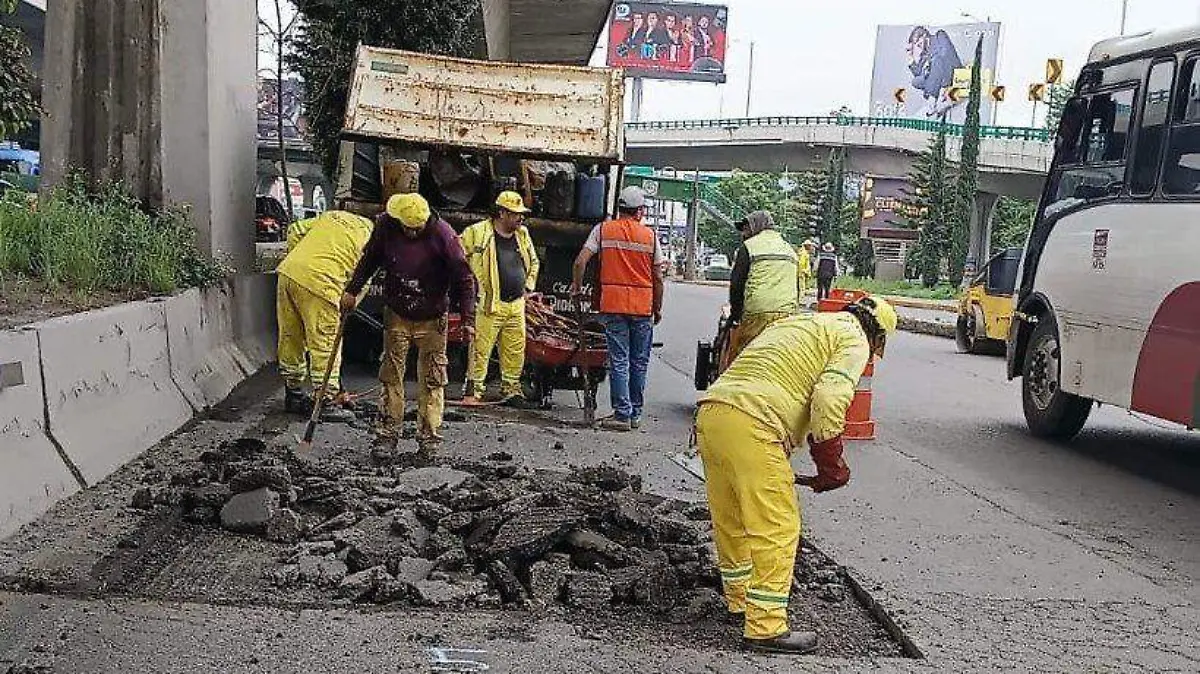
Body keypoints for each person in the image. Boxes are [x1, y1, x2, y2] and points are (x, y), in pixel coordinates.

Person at [696, 296, 898, 654]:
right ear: (878, 338)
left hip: (714, 413)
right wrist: (831, 464)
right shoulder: (853, 338)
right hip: (755, 423)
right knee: (777, 526)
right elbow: (829, 399)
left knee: (732, 518)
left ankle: (739, 602)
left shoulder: (803, 322)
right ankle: (765, 626)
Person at [342, 193, 476, 459]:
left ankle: (429, 439)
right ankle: (387, 434)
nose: (411, 232)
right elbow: (369, 259)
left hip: (432, 316)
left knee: (433, 378)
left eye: (416, 229)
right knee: (391, 375)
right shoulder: (386, 226)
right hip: (398, 313)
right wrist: (352, 290)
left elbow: (464, 278)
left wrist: (468, 319)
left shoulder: (444, 236)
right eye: (407, 228)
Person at [570, 186, 665, 432]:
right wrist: (657, 307)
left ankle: (622, 413)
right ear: (640, 211)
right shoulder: (650, 236)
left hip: (613, 306)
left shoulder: (602, 230)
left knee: (619, 359)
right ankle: (635, 414)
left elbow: (580, 262)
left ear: (620, 209)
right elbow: (658, 277)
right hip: (642, 308)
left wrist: (577, 289)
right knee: (639, 362)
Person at [276, 210, 374, 421]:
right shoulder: (372, 239)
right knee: (325, 343)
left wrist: (300, 263)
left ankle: (293, 393)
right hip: (323, 283)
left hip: (289, 274)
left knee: (291, 336)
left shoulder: (332, 216)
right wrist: (348, 305)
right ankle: (326, 400)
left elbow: (294, 230)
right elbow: (362, 281)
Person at [459, 191, 541, 407]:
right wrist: (467, 288)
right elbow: (457, 257)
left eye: (521, 214)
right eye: (515, 213)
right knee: (480, 349)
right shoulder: (477, 233)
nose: (521, 218)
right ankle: (474, 390)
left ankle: (511, 388)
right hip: (488, 303)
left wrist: (528, 286)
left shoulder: (522, 235)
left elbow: (533, 262)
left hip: (516, 303)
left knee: (515, 348)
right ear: (502, 213)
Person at [722, 211, 799, 370]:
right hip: (787, 314)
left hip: (757, 312)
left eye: (745, 229)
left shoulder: (749, 247)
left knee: (745, 359)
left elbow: (737, 285)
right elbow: (796, 285)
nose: (743, 234)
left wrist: (735, 316)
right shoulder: (789, 249)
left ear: (755, 227)